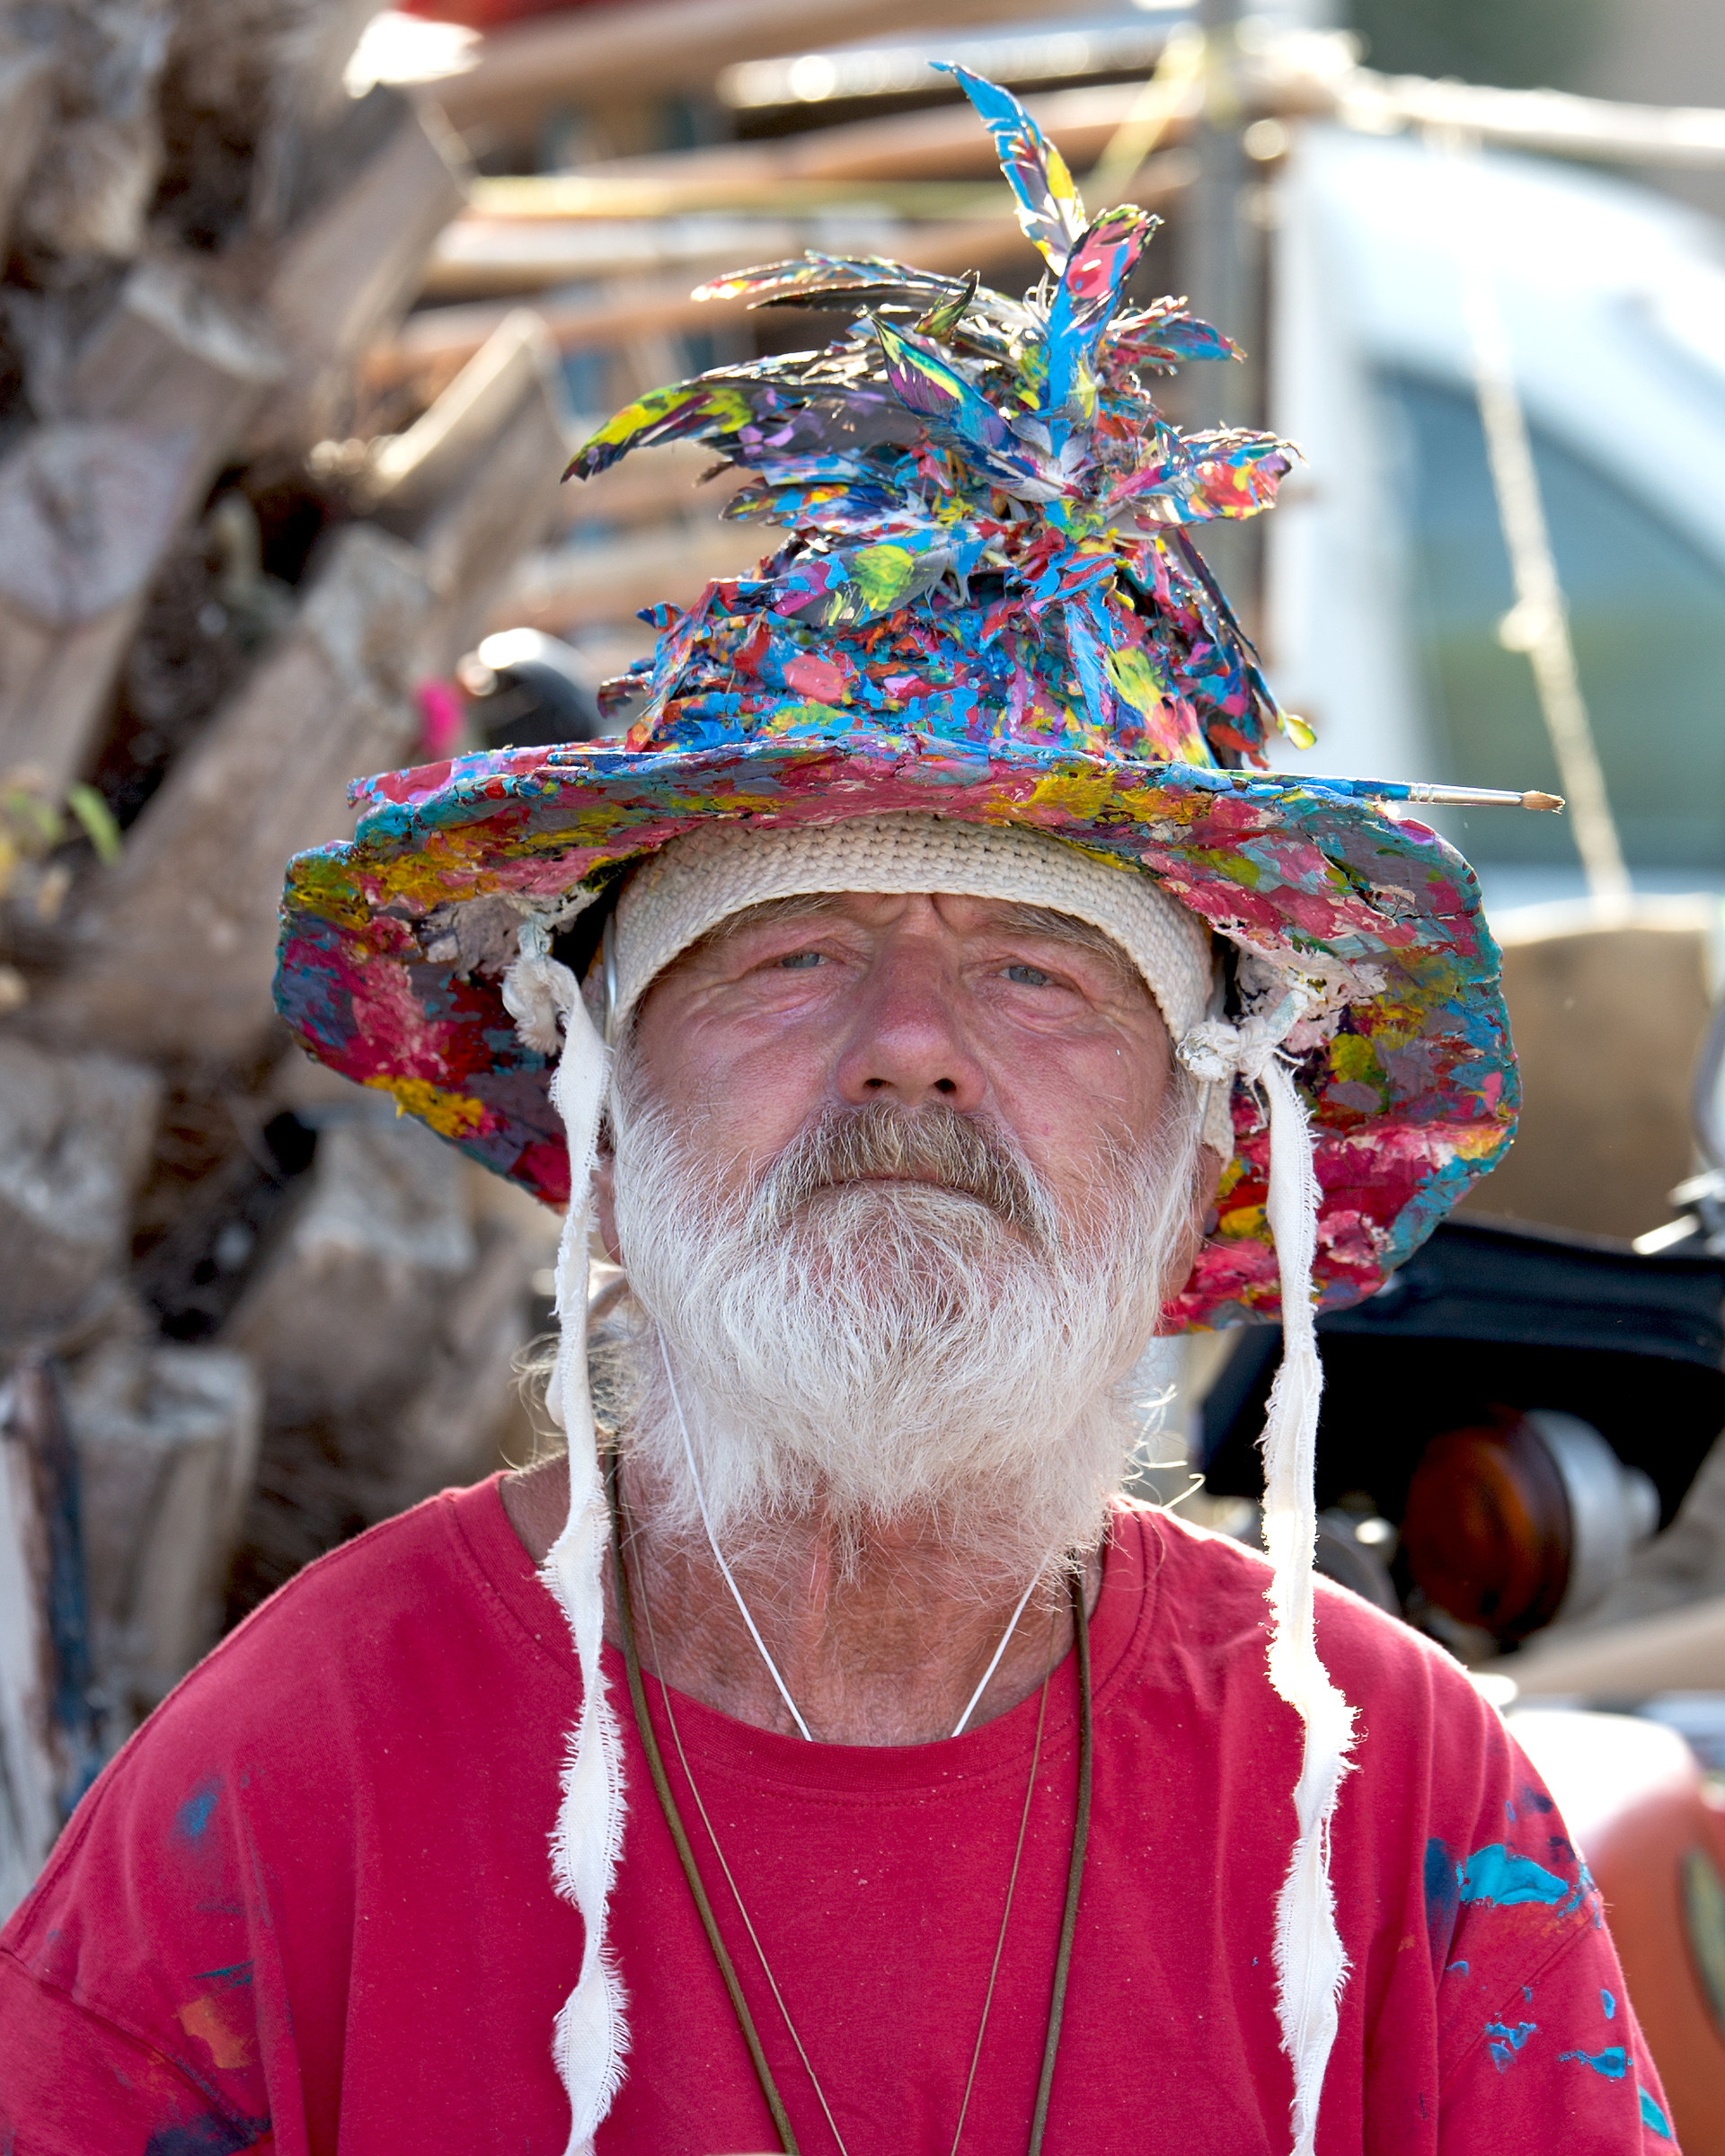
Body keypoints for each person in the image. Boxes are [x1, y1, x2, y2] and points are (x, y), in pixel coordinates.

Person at [0, 67, 1674, 2156]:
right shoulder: (297, 1778)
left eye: (1042, 972)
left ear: (1201, 1163)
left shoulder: (1397, 1805)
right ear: (606, 1121)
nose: (910, 1046)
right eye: (786, 956)